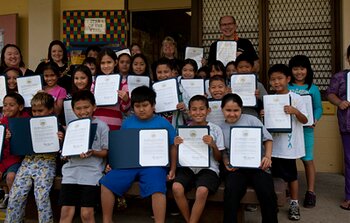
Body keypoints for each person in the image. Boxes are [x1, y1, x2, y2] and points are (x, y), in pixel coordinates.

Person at [99, 86, 177, 223]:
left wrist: (173, 169)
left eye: (145, 105)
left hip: (154, 165)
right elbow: (121, 146)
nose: (141, 109)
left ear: (153, 105)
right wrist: (113, 164)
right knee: (106, 182)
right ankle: (107, 220)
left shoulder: (163, 123)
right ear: (133, 107)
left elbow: (173, 146)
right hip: (129, 164)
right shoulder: (128, 122)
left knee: (158, 187)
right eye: (137, 106)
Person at [6, 92, 64, 223]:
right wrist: (10, 138)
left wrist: (61, 139)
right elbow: (18, 145)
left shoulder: (56, 124)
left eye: (40, 111)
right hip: (28, 161)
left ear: (50, 110)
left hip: (47, 162)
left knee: (42, 196)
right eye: (34, 111)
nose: (37, 114)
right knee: (15, 195)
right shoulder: (26, 123)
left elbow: (62, 150)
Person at [220, 93, 278, 223]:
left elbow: (267, 139)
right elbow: (223, 151)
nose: (232, 114)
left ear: (241, 109)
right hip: (236, 167)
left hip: (257, 165)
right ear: (222, 109)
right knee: (231, 192)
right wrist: (225, 161)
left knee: (267, 193)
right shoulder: (220, 128)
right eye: (228, 110)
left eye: (236, 110)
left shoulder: (252, 120)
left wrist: (268, 157)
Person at [172, 95, 224, 223]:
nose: (198, 112)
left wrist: (213, 145)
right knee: (176, 188)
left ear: (208, 110)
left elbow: (219, 158)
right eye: (194, 109)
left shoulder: (215, 129)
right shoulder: (185, 130)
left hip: (209, 168)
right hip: (188, 166)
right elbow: (179, 154)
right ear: (189, 112)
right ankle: (189, 219)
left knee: (202, 190)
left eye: (201, 109)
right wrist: (176, 145)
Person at [59, 90, 108, 223]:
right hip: (71, 172)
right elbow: (67, 152)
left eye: (86, 107)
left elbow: (105, 151)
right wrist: (65, 154)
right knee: (66, 212)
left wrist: (93, 152)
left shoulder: (102, 126)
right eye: (78, 108)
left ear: (94, 107)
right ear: (73, 110)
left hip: (92, 173)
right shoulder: (72, 126)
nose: (83, 111)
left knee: (86, 214)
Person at [267, 64, 308, 221]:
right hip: (273, 145)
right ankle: (275, 203)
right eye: (273, 79)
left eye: (280, 78)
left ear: (288, 79)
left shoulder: (296, 98)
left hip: (289, 146)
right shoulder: (270, 99)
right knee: (274, 176)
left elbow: (305, 120)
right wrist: (264, 113)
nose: (276, 82)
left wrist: (295, 111)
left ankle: (294, 203)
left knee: (291, 176)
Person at [288, 55, 323, 208]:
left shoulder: (312, 88)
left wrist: (315, 119)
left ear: (308, 70)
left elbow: (318, 108)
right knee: (288, 160)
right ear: (291, 71)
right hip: (289, 130)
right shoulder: (286, 86)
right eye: (295, 69)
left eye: (302, 68)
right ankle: (288, 189)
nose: (299, 72)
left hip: (306, 130)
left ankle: (310, 192)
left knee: (307, 159)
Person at [327, 44, 350, 210]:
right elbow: (330, 94)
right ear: (348, 58)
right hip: (347, 124)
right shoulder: (340, 77)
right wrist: (339, 102)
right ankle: (349, 197)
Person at [0, 93, 28, 209]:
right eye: (5, 105)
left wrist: (11, 139)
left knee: (11, 177)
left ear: (20, 107)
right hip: (4, 158)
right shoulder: (3, 122)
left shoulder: (25, 121)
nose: (7, 108)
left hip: (17, 159)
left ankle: (14, 208)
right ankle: (6, 197)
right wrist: (4, 139)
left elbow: (21, 148)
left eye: (11, 105)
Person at [93, 48, 130, 130]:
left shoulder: (123, 82)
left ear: (115, 62)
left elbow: (125, 108)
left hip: (115, 124)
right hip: (97, 125)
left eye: (109, 62)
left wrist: (126, 98)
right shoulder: (95, 82)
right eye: (103, 63)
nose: (106, 66)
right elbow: (91, 104)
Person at [234, 53, 268, 118]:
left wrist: (258, 98)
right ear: (236, 69)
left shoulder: (258, 85)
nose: (244, 70)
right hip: (234, 116)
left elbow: (267, 103)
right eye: (240, 67)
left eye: (247, 67)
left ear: (252, 68)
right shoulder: (230, 85)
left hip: (252, 115)